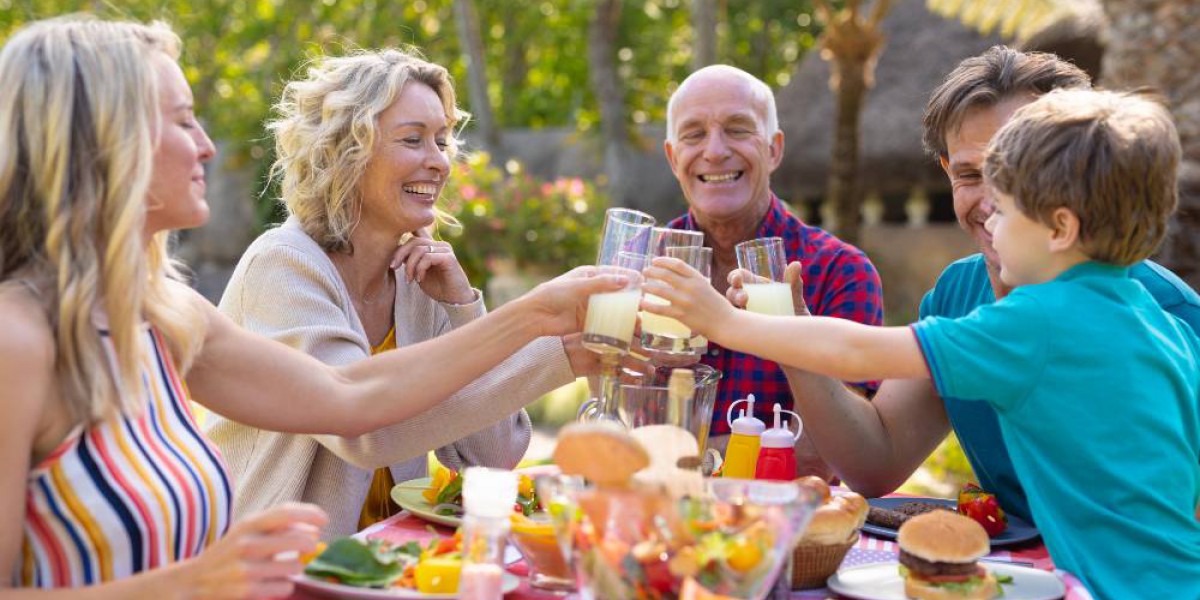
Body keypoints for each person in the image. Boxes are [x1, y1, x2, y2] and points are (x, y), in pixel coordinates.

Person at [0, 16, 624, 595]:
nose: (208, 145)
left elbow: (349, 396)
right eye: (184, 120)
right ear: (102, 140)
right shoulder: (18, 342)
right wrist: (190, 584)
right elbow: (365, 428)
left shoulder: (165, 313)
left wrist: (527, 321)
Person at [646, 88, 1200, 599]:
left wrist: (726, 322)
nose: (988, 223)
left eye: (1004, 209)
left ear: (1059, 228)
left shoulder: (1034, 321)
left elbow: (860, 351)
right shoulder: (1158, 323)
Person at [728, 46, 1200, 523]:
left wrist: (723, 320)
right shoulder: (958, 293)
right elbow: (876, 462)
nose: (996, 200)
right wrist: (790, 337)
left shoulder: (1173, 316)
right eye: (973, 174)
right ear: (947, 174)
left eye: (1018, 175)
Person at [205, 48, 604, 538]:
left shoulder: (419, 279)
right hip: (281, 570)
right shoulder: (283, 267)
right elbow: (364, 432)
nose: (438, 162)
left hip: (389, 563)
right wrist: (555, 348)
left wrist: (462, 308)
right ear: (344, 152)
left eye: (442, 141)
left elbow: (493, 454)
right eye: (413, 140)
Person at [660, 64, 884, 475]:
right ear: (674, 157)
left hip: (783, 531)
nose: (714, 150)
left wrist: (687, 456)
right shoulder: (646, 266)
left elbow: (823, 457)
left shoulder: (842, 272)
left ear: (774, 149)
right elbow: (620, 430)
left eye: (738, 129)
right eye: (694, 134)